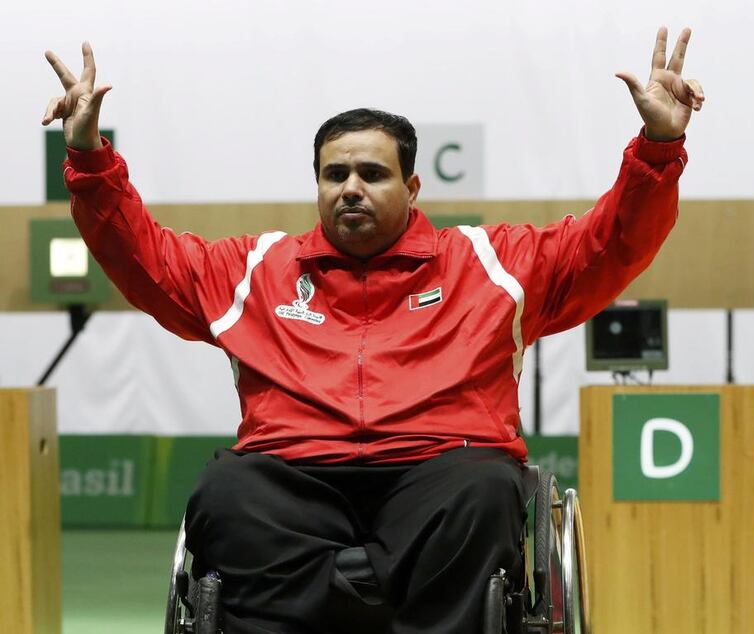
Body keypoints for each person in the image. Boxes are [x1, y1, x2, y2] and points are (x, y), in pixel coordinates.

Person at [43, 27, 704, 634]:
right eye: (335, 175)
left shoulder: (491, 264)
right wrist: (87, 156)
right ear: (317, 185)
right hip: (295, 476)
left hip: (441, 470)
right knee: (225, 491)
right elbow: (143, 258)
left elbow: (611, 243)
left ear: (413, 186)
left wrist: (659, 149)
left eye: (372, 173)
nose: (351, 189)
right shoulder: (252, 271)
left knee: (486, 490)